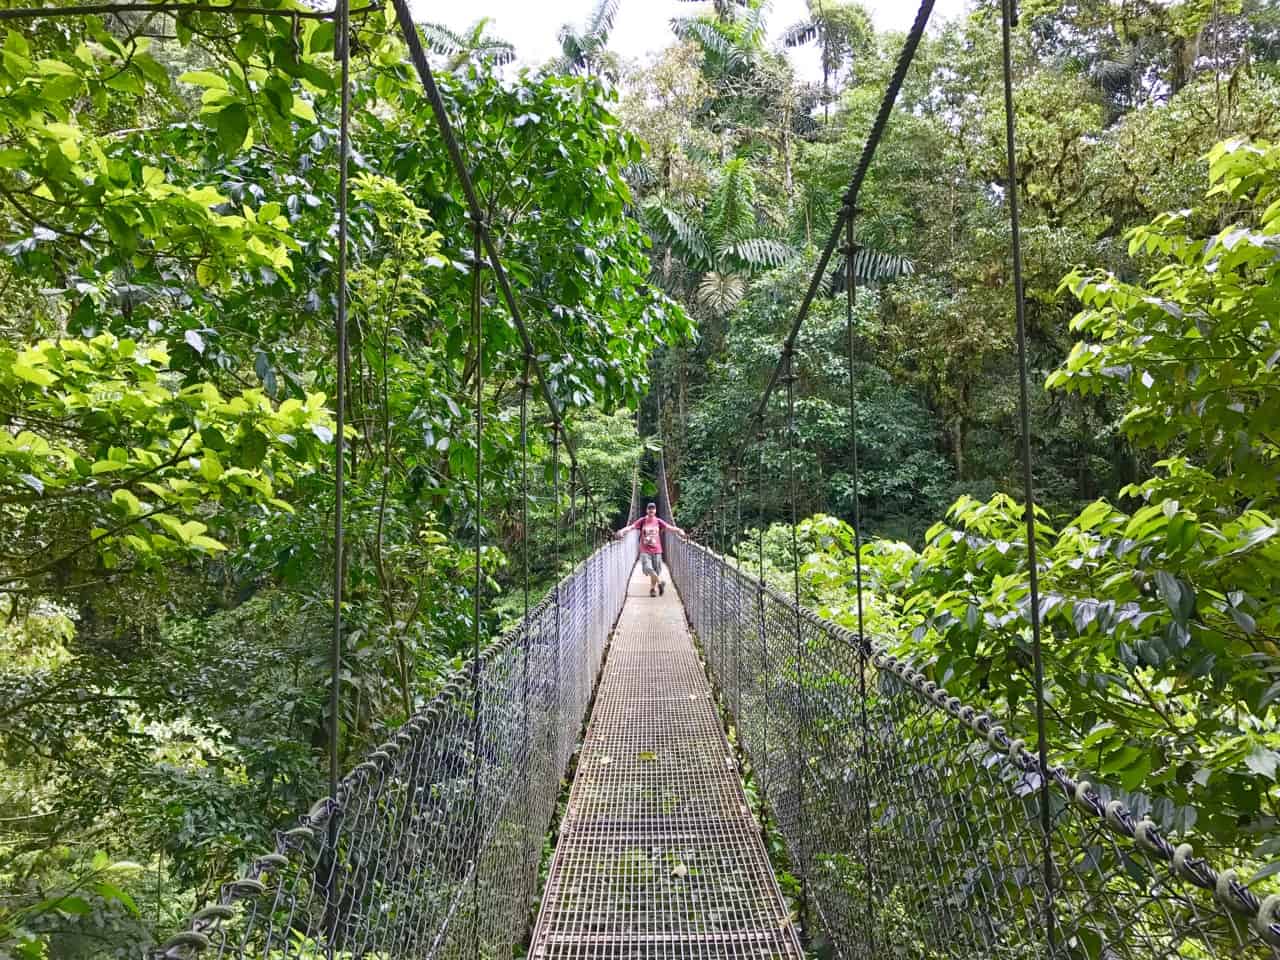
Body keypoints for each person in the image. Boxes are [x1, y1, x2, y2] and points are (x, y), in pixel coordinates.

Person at [617, 502, 684, 597]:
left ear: (655, 510)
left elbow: (669, 527)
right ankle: (660, 583)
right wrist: (623, 530)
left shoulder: (658, 521)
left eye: (653, 508)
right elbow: (632, 527)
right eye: (649, 508)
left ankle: (652, 589)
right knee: (648, 568)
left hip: (657, 550)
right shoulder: (642, 520)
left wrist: (679, 530)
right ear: (647, 510)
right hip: (645, 550)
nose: (651, 510)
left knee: (656, 571)